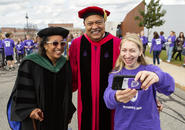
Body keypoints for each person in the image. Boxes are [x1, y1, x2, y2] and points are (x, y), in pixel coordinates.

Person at [7, 27, 76, 130]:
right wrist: (30, 110)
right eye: (55, 43)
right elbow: (22, 91)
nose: (59, 47)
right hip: (38, 119)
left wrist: (68, 111)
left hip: (59, 117)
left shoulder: (64, 63)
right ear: (45, 45)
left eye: (62, 43)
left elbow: (67, 91)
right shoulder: (30, 63)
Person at [103, 33, 175, 130]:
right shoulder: (116, 73)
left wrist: (158, 77)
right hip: (123, 126)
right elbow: (108, 100)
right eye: (124, 50)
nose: (127, 55)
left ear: (140, 51)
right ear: (120, 51)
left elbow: (170, 88)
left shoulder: (150, 69)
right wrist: (115, 96)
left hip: (148, 126)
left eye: (132, 51)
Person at [69, 6, 121, 130]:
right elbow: (72, 75)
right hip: (85, 103)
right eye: (90, 23)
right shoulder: (77, 44)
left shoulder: (117, 44)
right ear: (84, 24)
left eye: (99, 22)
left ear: (104, 23)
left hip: (111, 103)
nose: (94, 27)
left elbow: (130, 71)